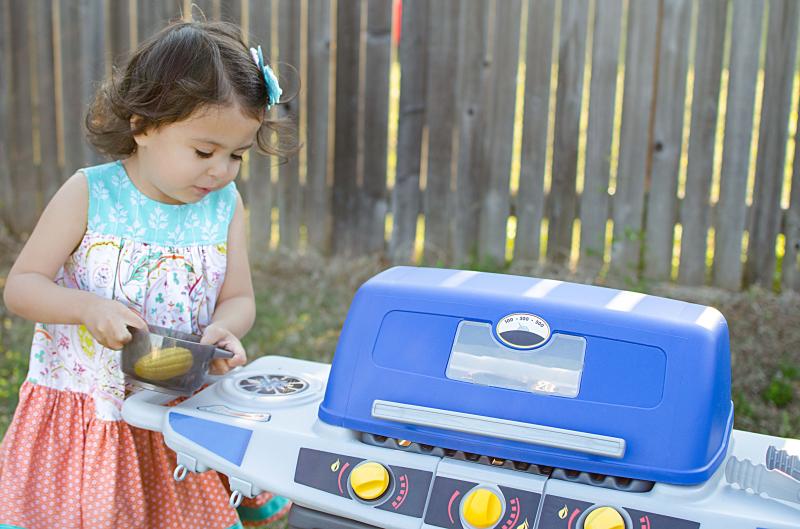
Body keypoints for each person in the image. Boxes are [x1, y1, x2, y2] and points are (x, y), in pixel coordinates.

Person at [0, 19, 295, 529]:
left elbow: (239, 297)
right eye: (205, 152)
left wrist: (227, 328)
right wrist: (87, 307)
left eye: (236, 156)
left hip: (178, 409)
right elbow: (22, 287)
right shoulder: (90, 194)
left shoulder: (224, 207)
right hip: (93, 409)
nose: (221, 171)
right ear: (142, 125)